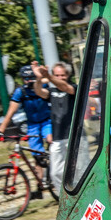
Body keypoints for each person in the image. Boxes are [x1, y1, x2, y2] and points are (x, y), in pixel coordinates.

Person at [32, 61, 76, 191]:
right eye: (57, 75)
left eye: (63, 75)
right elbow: (38, 91)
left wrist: (49, 77)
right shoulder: (51, 91)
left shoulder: (74, 87)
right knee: (55, 172)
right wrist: (39, 78)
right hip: (57, 137)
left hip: (74, 137)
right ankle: (64, 197)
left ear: (68, 75)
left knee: (79, 170)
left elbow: (65, 88)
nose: (60, 77)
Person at [0, 64, 52, 152]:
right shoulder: (20, 91)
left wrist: (42, 77)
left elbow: (49, 80)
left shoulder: (44, 86)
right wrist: (0, 130)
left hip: (47, 121)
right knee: (37, 155)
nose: (29, 80)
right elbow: (10, 113)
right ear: (22, 79)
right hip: (32, 125)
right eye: (26, 78)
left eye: (32, 77)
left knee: (50, 140)